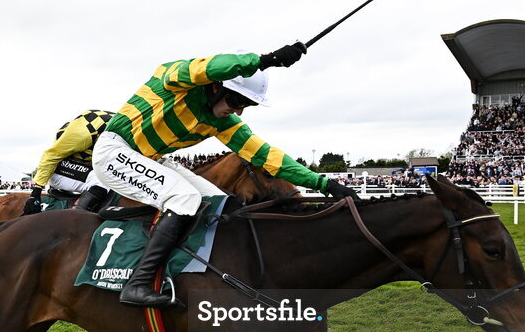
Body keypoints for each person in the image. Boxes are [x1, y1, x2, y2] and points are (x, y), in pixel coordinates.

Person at [91, 44, 359, 310]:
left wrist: (325, 184)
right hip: (114, 151)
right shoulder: (175, 82)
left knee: (220, 202)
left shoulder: (222, 122)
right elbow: (206, 67)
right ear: (215, 87)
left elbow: (267, 156)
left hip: (152, 159)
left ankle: (192, 273)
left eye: (247, 105)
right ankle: (137, 284)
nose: (239, 111)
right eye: (237, 101)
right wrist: (264, 61)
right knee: (184, 198)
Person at [23, 110, 115, 215]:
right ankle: (77, 218)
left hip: (84, 166)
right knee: (101, 180)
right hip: (57, 166)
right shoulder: (83, 133)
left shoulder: (121, 129)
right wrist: (36, 192)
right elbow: (50, 156)